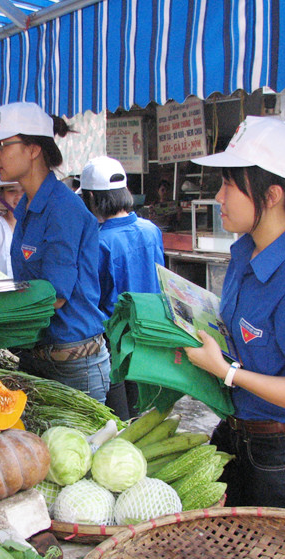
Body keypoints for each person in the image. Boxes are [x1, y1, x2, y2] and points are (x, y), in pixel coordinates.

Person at [183, 116, 285, 512]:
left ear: (270, 195)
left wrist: (227, 372)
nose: (219, 197)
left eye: (228, 185)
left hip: (283, 455)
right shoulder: (244, 252)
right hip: (236, 434)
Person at [0, 102, 111, 402]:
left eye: (3, 145)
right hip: (38, 359)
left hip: (74, 369)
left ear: (33, 149)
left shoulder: (63, 209)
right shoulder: (25, 209)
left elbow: (54, 296)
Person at [80, 156, 165, 419]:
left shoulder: (100, 241)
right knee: (142, 412)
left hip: (115, 342)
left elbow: (94, 297)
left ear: (92, 197)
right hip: (149, 336)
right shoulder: (151, 230)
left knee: (120, 418)